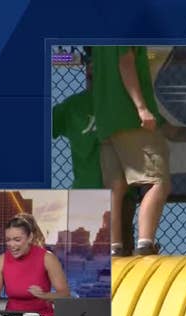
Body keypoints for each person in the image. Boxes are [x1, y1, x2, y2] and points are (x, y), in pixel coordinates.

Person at [92, 46, 186, 256]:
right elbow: (125, 62)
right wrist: (141, 107)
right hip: (130, 117)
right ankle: (145, 244)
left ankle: (114, 247)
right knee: (157, 181)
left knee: (115, 187)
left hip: (106, 121)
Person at [51, 47, 136, 255]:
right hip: (87, 193)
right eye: (92, 61)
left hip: (122, 193)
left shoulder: (128, 103)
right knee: (87, 259)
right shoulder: (72, 106)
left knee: (120, 258)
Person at [0, 213, 69, 316]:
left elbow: (65, 295)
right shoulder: (1, 261)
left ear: (30, 237)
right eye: (8, 240)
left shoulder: (48, 258)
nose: (12, 245)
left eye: (17, 240)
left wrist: (44, 295)